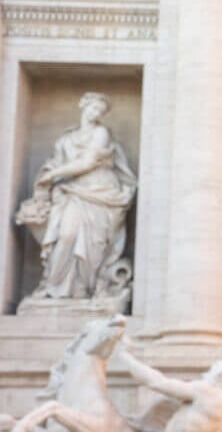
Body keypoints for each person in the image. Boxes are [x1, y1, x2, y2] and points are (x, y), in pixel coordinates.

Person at [17, 92, 136, 300]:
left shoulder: (101, 133)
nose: (96, 113)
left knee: (95, 245)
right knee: (66, 236)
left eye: (100, 111)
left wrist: (53, 175)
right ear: (83, 106)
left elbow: (87, 163)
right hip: (72, 191)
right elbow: (54, 163)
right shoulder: (66, 139)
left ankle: (83, 290)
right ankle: (54, 288)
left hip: (100, 191)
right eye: (93, 107)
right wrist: (48, 180)